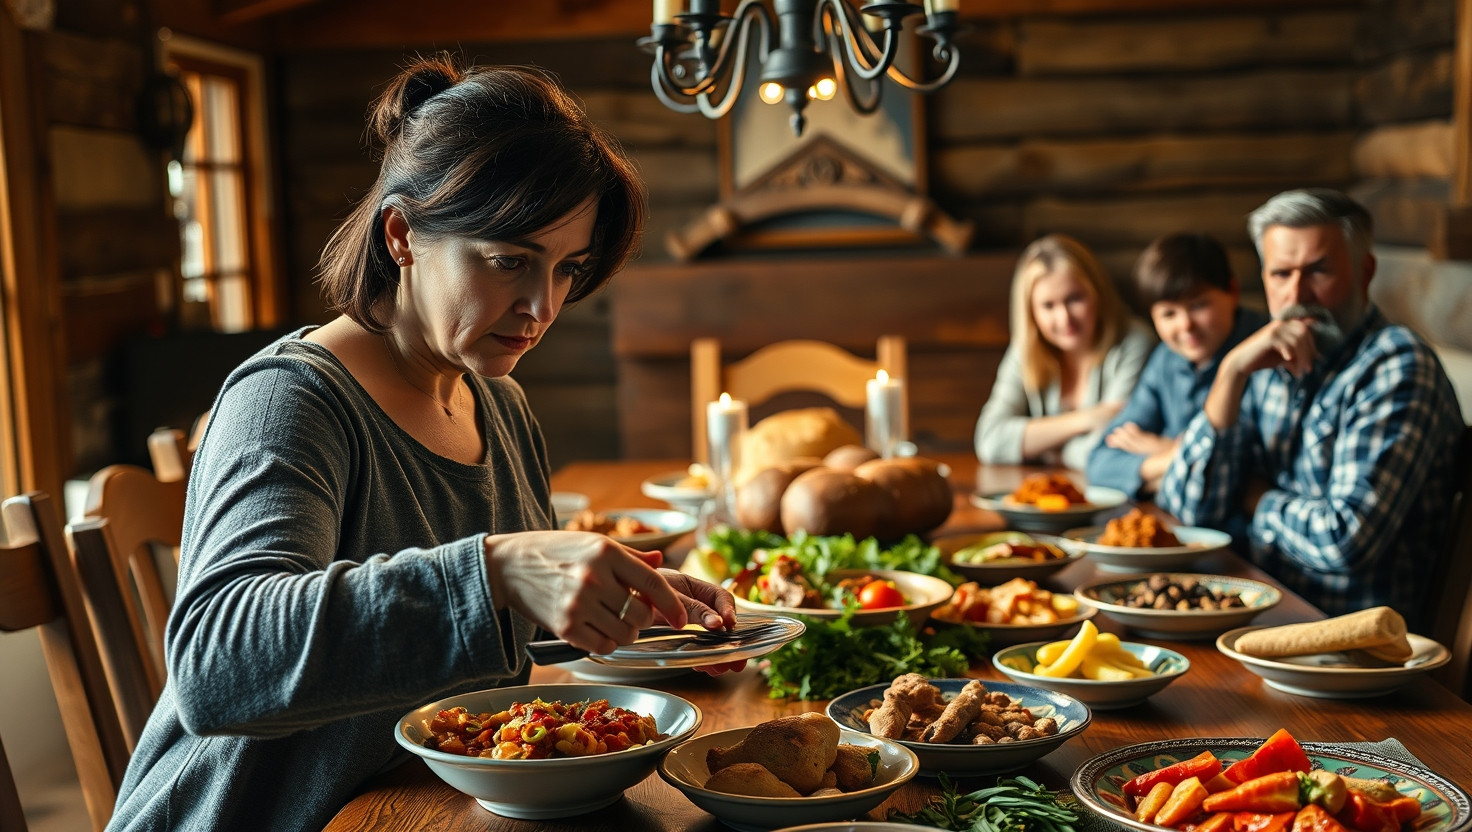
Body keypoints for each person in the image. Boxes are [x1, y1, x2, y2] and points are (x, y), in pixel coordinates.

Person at [107, 56, 740, 832]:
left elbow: (472, 628)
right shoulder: (291, 399)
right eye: (510, 259)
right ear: (402, 235)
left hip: (411, 808)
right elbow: (218, 664)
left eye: (567, 269)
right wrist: (499, 567)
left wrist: (639, 605)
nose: (542, 306)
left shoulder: (497, 403)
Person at [1158, 188, 1463, 627]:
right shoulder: (1265, 357)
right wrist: (1229, 375)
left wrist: (1255, 497)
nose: (1298, 294)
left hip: (1354, 648)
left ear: (1365, 271)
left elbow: (1343, 543)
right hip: (1261, 620)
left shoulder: (1397, 366)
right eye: (1281, 274)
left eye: (1318, 271)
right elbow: (1187, 511)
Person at [1086, 233, 1268, 497]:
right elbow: (1100, 463)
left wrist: (1165, 452)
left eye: (1199, 305)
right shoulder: (1166, 359)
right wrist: (1171, 457)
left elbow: (1240, 479)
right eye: (1169, 314)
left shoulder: (1265, 353)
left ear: (1233, 293)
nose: (1185, 325)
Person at [974, 233, 1155, 471]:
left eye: (1074, 299)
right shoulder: (1026, 349)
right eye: (1048, 306)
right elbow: (990, 440)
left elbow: (1112, 450)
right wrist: (1086, 419)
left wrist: (1046, 448)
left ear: (1098, 293)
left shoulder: (1134, 342)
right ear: (1031, 312)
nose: (1064, 318)